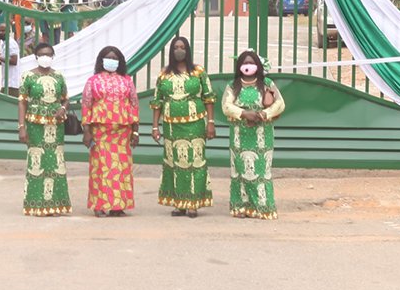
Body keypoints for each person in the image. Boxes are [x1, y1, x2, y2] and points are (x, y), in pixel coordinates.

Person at [150, 36, 215, 216]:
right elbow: (157, 101)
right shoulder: (164, 73)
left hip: (196, 123)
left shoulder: (198, 72)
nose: (179, 50)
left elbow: (208, 97)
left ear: (188, 50)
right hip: (171, 126)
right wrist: (155, 127)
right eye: (176, 47)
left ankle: (193, 202)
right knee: (174, 163)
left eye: (183, 47)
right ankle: (179, 203)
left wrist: (211, 122)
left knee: (195, 162)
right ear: (171, 51)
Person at [222, 49, 285, 220]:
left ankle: (263, 206)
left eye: (251, 62)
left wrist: (263, 115)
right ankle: (240, 206)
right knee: (240, 170)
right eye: (244, 63)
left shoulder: (267, 84)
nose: (247, 66)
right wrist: (244, 114)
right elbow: (226, 106)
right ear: (239, 66)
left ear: (257, 65)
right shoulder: (232, 86)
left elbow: (280, 104)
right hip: (239, 134)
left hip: (262, 135)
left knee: (261, 170)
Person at [82, 45, 139, 217]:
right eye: (108, 58)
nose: (111, 61)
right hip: (100, 131)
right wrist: (86, 131)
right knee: (100, 168)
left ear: (120, 62)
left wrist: (135, 132)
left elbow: (134, 105)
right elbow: (86, 105)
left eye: (115, 58)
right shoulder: (93, 81)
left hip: (122, 132)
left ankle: (117, 206)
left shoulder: (127, 80)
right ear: (101, 60)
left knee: (120, 169)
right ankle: (98, 205)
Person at [17, 43, 70, 216]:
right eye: (41, 54)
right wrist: (21, 127)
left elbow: (65, 99)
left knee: (56, 163)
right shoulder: (27, 77)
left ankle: (56, 205)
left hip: (56, 125)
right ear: (36, 56)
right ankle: (37, 204)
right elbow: (22, 102)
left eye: (48, 54)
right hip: (34, 125)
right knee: (36, 163)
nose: (45, 57)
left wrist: (63, 108)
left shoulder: (59, 76)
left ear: (53, 56)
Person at [0, 24, 22, 96]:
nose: (0, 33)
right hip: (7, 82)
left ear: (8, 31)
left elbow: (14, 61)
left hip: (12, 83)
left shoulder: (11, 44)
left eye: (3, 31)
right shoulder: (5, 44)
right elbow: (8, 61)